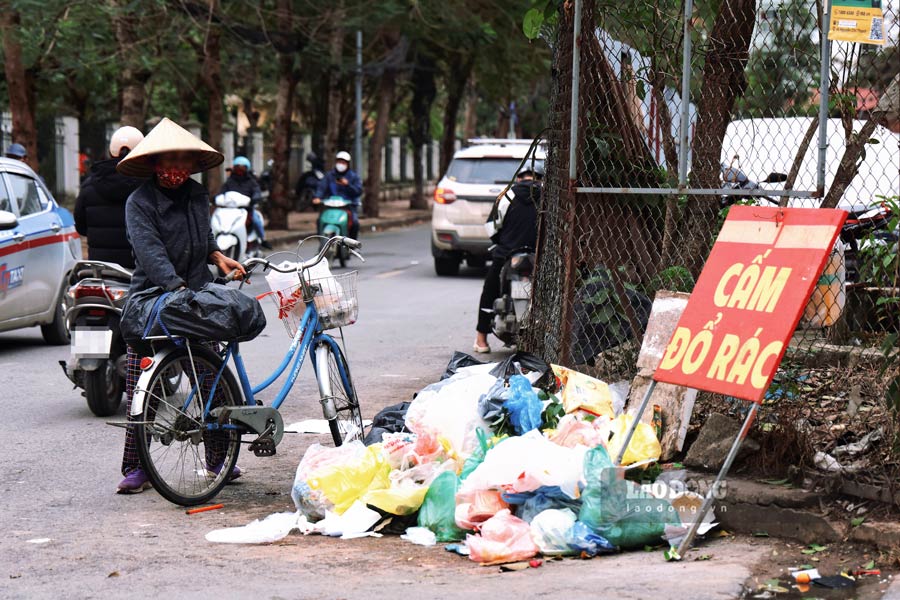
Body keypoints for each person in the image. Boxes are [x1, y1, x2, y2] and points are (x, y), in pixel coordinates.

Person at [114, 117, 246, 493]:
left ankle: (219, 459)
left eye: (182, 163)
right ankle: (136, 467)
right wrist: (177, 289)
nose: (175, 171)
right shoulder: (138, 203)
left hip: (194, 296)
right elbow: (151, 255)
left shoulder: (197, 194)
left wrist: (218, 256)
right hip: (152, 300)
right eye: (168, 163)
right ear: (154, 165)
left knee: (211, 381)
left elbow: (204, 239)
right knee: (142, 387)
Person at [474, 166, 542, 353]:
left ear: (519, 178)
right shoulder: (548, 196)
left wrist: (500, 242)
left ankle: (481, 339)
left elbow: (491, 227)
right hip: (540, 255)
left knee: (490, 289)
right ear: (539, 179)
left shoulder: (507, 194)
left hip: (507, 253)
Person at [73, 126, 145, 268]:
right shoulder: (149, 186)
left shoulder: (89, 185)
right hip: (139, 271)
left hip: (101, 270)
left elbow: (81, 226)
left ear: (111, 151)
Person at [220, 155, 271, 249]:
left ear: (247, 169)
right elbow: (222, 193)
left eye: (242, 168)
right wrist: (216, 198)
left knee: (256, 221)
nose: (240, 170)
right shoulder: (229, 182)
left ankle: (263, 240)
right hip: (230, 211)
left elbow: (257, 192)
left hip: (247, 210)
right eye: (237, 168)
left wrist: (254, 199)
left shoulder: (252, 182)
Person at [313, 150, 363, 240]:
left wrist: (347, 185)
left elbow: (358, 191)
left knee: (355, 223)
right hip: (331, 206)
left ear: (348, 164)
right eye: (339, 162)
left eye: (343, 162)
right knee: (320, 220)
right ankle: (321, 242)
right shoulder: (329, 176)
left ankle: (352, 245)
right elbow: (322, 188)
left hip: (348, 207)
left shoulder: (353, 177)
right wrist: (317, 197)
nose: (341, 164)